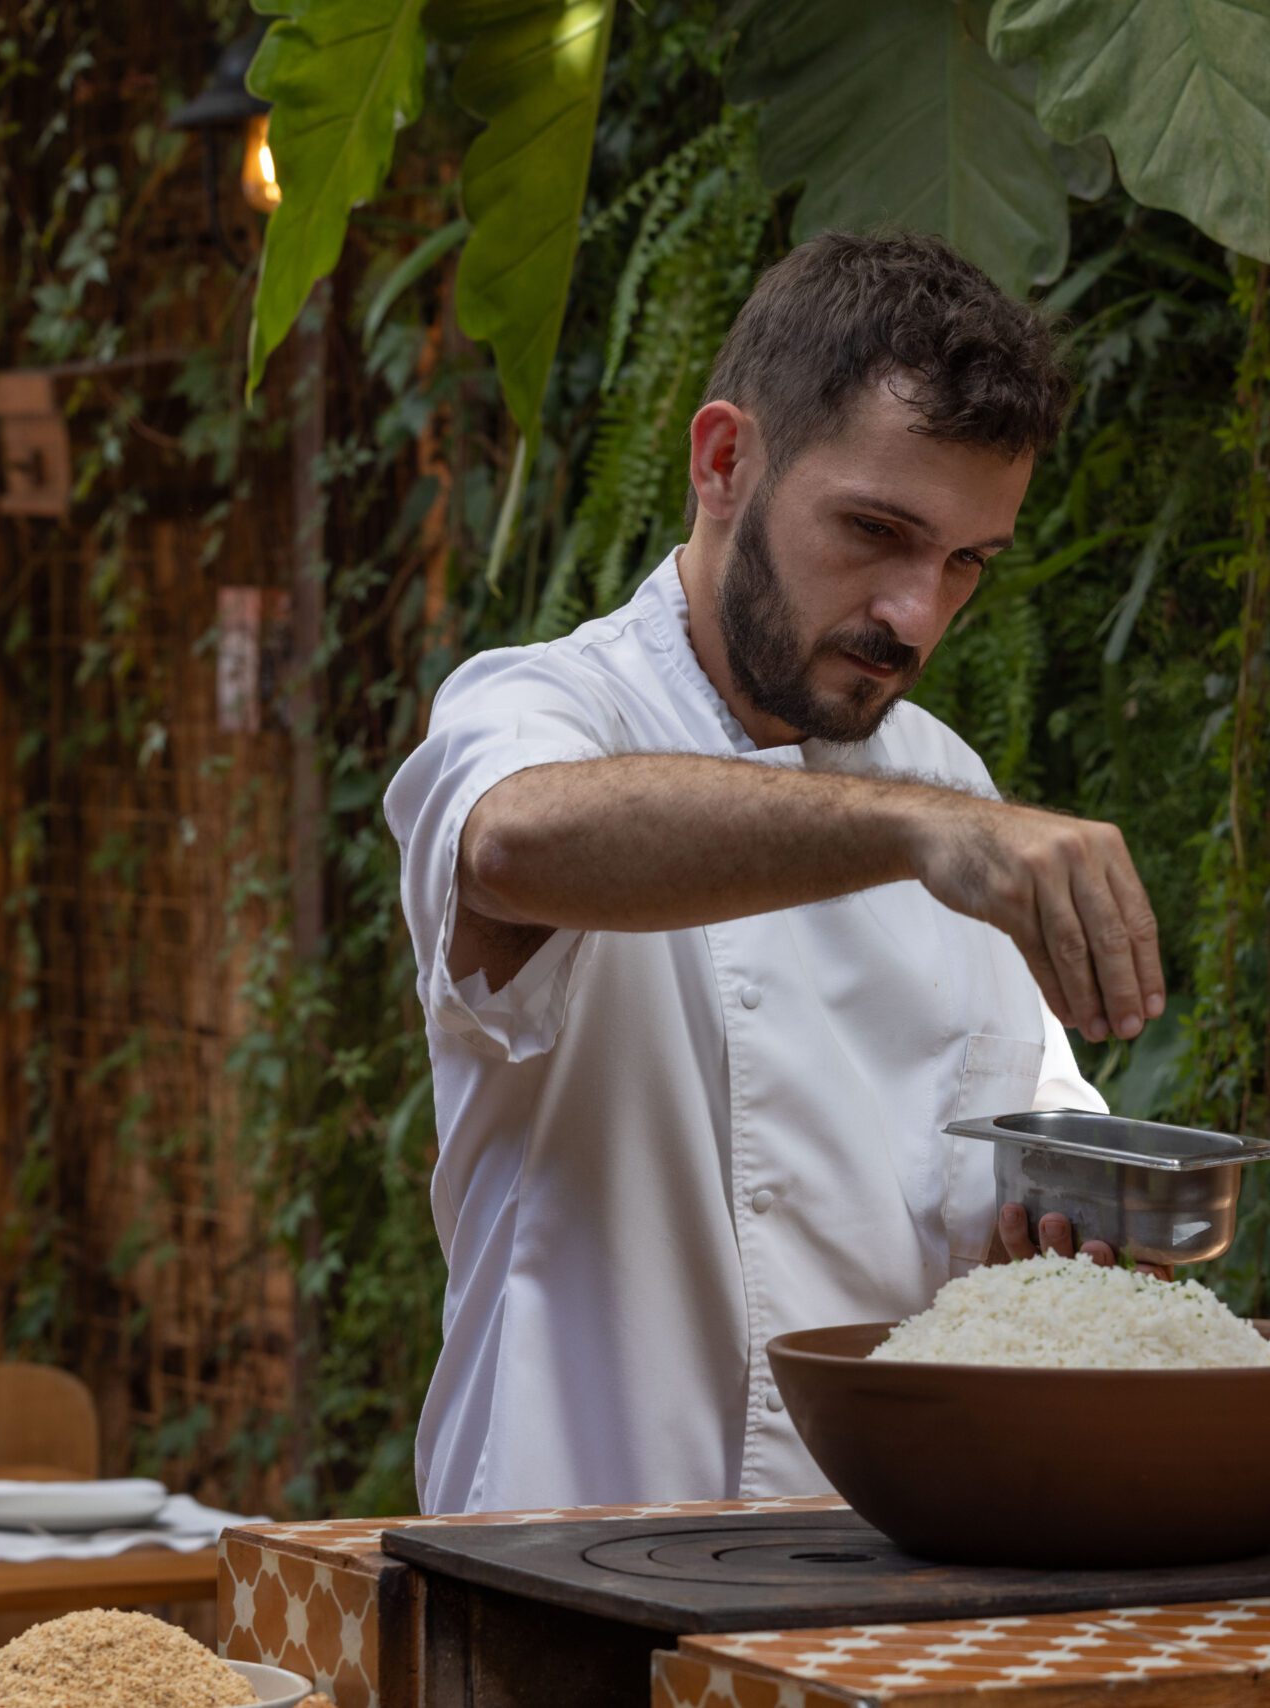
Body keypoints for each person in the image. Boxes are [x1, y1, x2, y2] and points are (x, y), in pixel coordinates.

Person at [385, 230, 1167, 1511]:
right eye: (876, 529)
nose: (916, 614)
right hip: (571, 1558)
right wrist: (909, 833)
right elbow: (515, 842)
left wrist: (1078, 1218)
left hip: (878, 1564)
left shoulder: (947, 780)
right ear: (723, 462)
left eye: (966, 561)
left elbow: (1026, 1122)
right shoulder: (546, 706)